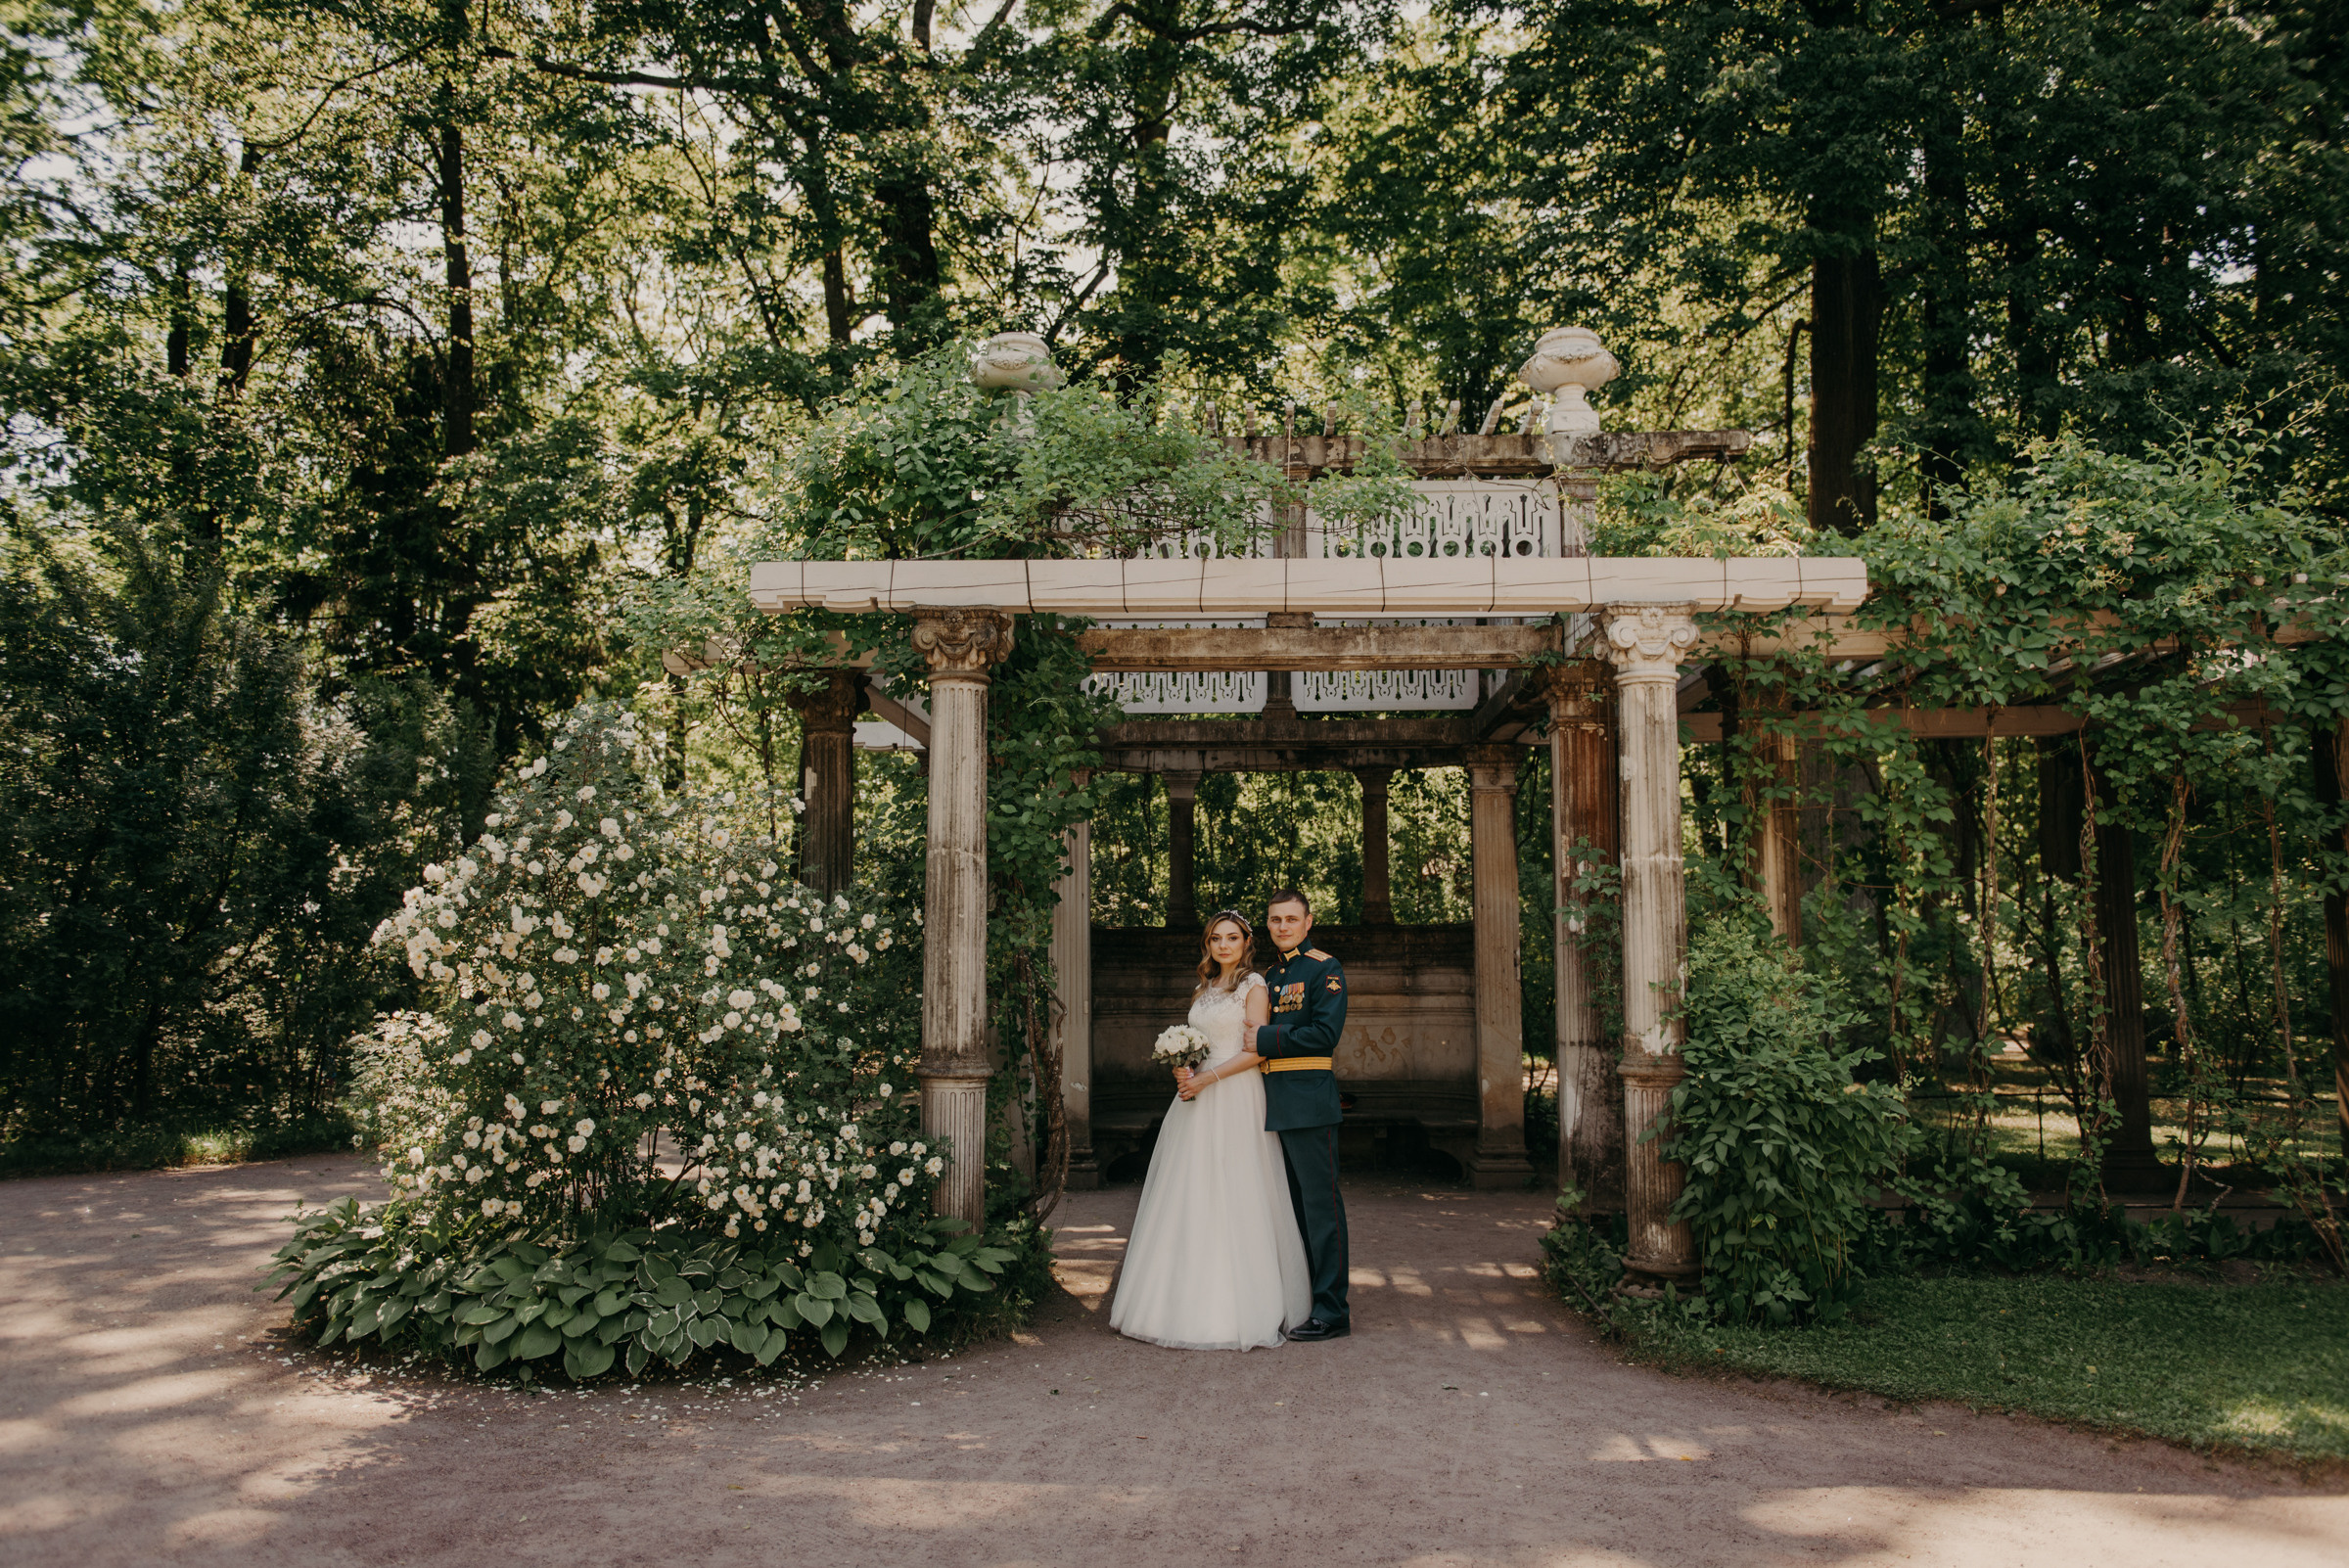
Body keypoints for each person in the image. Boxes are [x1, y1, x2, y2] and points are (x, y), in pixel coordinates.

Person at [1109, 910, 1313, 1350]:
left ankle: (1243, 1308)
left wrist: (1209, 1078)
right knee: (1191, 1189)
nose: (1223, 945)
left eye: (1232, 938)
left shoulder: (1254, 986)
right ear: (1208, 944)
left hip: (1236, 1092)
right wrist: (1183, 1069)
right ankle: (1175, 1304)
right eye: (1216, 938)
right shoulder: (1204, 988)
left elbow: (1257, 1051)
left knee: (1238, 1188)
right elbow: (1197, 1044)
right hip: (1196, 1096)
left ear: (1245, 943)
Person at [1254, 888, 1351, 1340]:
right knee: (1291, 1211)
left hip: (1309, 1103)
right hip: (1273, 1102)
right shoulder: (1271, 976)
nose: (1283, 927)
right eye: (1275, 920)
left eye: (1291, 919)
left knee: (1320, 1209)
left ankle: (1332, 1311)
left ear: (1308, 922)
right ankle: (1304, 1300)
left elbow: (1324, 1033)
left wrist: (1264, 1039)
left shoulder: (1324, 969)